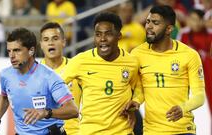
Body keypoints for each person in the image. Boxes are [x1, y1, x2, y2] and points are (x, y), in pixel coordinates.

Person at [123, 5, 205, 135]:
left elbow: (199, 96)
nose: (149, 26)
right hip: (152, 131)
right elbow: (140, 89)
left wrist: (183, 108)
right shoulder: (137, 54)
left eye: (155, 23)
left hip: (182, 130)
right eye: (148, 21)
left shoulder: (189, 55)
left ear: (169, 29)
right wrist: (137, 101)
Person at [0, 28, 78, 135]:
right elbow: (4, 97)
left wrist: (46, 112)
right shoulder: (6, 75)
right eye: (9, 51)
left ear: (31, 51)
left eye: (17, 50)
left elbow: (73, 110)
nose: (11, 56)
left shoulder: (49, 77)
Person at [61, 12, 140, 135]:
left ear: (119, 36)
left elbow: (139, 87)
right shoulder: (80, 61)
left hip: (122, 131)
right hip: (90, 132)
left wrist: (136, 102)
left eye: (108, 34)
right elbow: (56, 83)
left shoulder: (132, 62)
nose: (102, 39)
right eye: (98, 35)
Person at [40, 22, 81, 135]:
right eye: (46, 39)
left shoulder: (77, 67)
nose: (50, 43)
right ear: (41, 44)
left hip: (74, 132)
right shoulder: (34, 73)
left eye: (55, 38)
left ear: (63, 42)